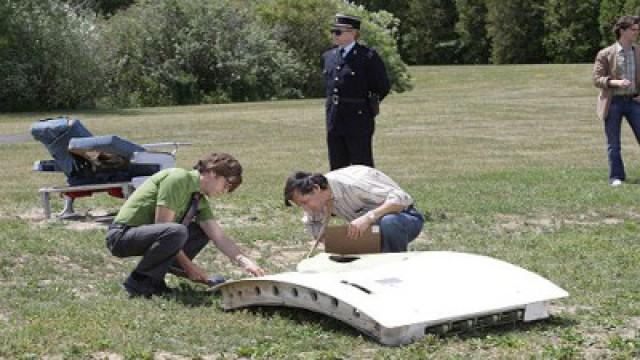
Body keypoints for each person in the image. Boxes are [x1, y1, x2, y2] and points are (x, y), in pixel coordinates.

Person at [106, 152, 264, 298]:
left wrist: (246, 262)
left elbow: (219, 237)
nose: (226, 191)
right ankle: (138, 282)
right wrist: (189, 266)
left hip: (149, 234)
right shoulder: (178, 178)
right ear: (213, 172)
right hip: (121, 236)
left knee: (202, 231)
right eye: (227, 184)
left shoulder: (198, 198)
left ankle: (156, 280)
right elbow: (162, 225)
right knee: (176, 231)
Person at [283, 165, 424, 253]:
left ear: (316, 188)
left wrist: (368, 218)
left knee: (389, 222)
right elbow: (312, 223)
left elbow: (402, 198)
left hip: (405, 218)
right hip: (371, 232)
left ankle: (394, 267)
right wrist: (326, 239)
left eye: (305, 203)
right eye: (300, 205)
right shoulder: (319, 199)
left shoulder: (355, 183)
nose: (305, 208)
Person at [322, 14, 391, 171]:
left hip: (358, 117)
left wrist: (368, 106)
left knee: (362, 164)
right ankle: (340, 196)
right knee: (337, 164)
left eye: (338, 32)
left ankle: (366, 196)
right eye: (333, 31)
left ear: (353, 33)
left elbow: (382, 86)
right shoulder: (329, 56)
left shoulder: (367, 56)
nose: (334, 35)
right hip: (335, 116)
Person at [593, 15, 640, 187]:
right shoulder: (605, 54)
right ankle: (616, 177)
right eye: (633, 29)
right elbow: (597, 79)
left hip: (634, 102)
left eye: (637, 29)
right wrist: (615, 82)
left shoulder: (638, 51)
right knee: (614, 143)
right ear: (622, 30)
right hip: (613, 103)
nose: (637, 32)